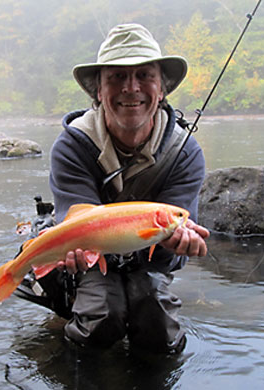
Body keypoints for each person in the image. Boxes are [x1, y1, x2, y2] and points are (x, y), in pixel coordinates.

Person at [46, 23, 209, 354]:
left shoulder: (185, 153)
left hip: (147, 262)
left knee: (159, 332)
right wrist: (70, 256)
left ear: (161, 89)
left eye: (144, 76)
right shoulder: (73, 146)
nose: (131, 88)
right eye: (117, 77)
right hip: (91, 256)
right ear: (99, 91)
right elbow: (75, 221)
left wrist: (175, 246)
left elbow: (165, 260)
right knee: (101, 322)